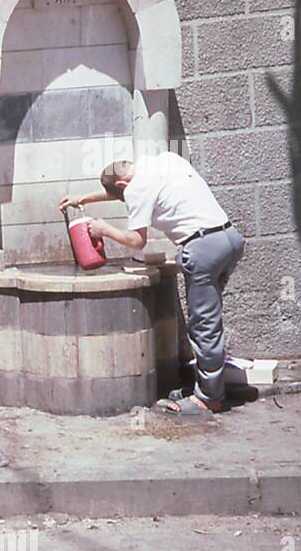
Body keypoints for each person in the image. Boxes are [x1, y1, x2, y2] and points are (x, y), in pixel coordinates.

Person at [59, 152, 246, 416]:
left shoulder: (135, 189)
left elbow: (137, 241)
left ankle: (209, 399)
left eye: (120, 195)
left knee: (204, 326)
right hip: (229, 240)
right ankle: (208, 385)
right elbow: (125, 189)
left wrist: (104, 229)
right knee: (209, 320)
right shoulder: (163, 161)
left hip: (203, 250)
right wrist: (84, 199)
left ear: (123, 186)